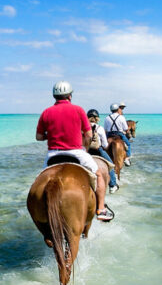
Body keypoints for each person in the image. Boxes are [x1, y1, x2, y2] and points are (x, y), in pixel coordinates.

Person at [36, 81, 114, 221]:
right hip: (76, 153)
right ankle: (101, 209)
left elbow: (39, 137)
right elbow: (89, 135)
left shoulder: (46, 112)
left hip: (53, 154)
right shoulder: (78, 110)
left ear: (54, 96)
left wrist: (52, 135)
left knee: (40, 181)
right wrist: (83, 143)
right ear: (70, 96)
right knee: (99, 175)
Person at [86, 109, 119, 192]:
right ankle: (112, 185)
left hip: (86, 151)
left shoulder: (83, 127)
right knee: (110, 165)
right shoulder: (100, 128)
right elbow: (104, 144)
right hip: (98, 151)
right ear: (97, 118)